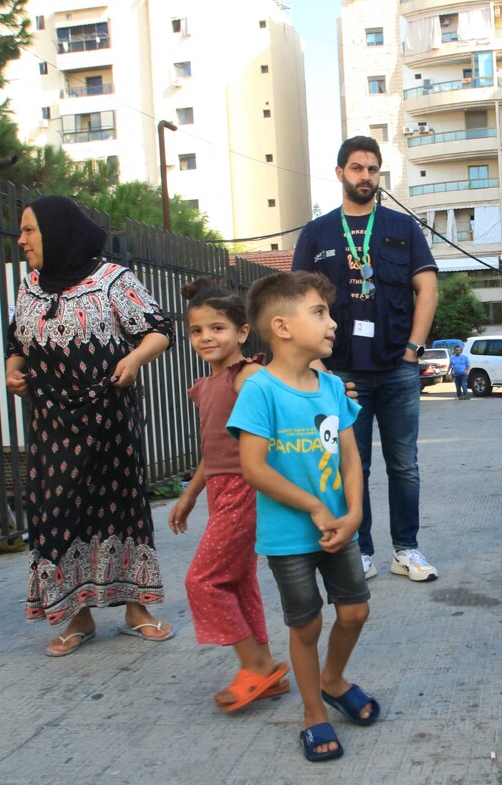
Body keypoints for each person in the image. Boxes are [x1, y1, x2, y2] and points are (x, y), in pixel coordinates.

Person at [6, 195, 176, 656]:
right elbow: (16, 342)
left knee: (119, 507)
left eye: (29, 230)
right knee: (57, 513)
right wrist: (13, 372)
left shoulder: (112, 280)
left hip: (108, 417)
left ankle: (137, 609)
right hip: (51, 421)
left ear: (57, 232)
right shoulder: (30, 287)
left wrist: (135, 360)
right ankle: (75, 615)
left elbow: (159, 329)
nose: (21, 240)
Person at [228, 270, 376, 762]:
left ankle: (333, 679)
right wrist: (314, 506)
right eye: (320, 312)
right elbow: (253, 468)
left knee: (355, 612)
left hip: (339, 528)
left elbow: (351, 459)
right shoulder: (260, 390)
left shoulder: (331, 387)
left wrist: (353, 514)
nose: (332, 323)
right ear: (282, 326)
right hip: (289, 534)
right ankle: (313, 712)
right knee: (306, 625)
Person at [292, 136, 440, 583]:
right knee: (352, 464)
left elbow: (427, 289)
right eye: (357, 168)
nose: (366, 176)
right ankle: (362, 550)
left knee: (404, 464)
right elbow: (299, 302)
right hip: (341, 374)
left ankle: (407, 549)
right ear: (340, 173)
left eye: (373, 169)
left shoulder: (403, 227)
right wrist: (317, 366)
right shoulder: (317, 233)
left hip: (397, 368)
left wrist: (413, 351)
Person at [167, 278, 289, 712]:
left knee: (202, 580)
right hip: (220, 490)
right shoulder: (207, 385)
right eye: (197, 331)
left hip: (245, 488)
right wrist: (189, 495)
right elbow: (213, 449)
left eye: (217, 328)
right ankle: (265, 668)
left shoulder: (247, 375)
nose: (206, 337)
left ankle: (256, 665)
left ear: (242, 332)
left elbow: (281, 401)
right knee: (236, 580)